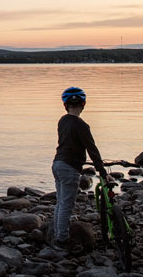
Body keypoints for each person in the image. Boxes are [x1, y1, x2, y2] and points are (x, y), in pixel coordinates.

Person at [51, 86, 108, 251]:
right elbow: (92, 149)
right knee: (67, 204)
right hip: (69, 167)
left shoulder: (62, 121)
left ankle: (57, 234)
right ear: (83, 104)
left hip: (57, 164)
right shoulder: (82, 125)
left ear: (65, 104)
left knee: (60, 202)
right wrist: (102, 172)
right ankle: (62, 240)